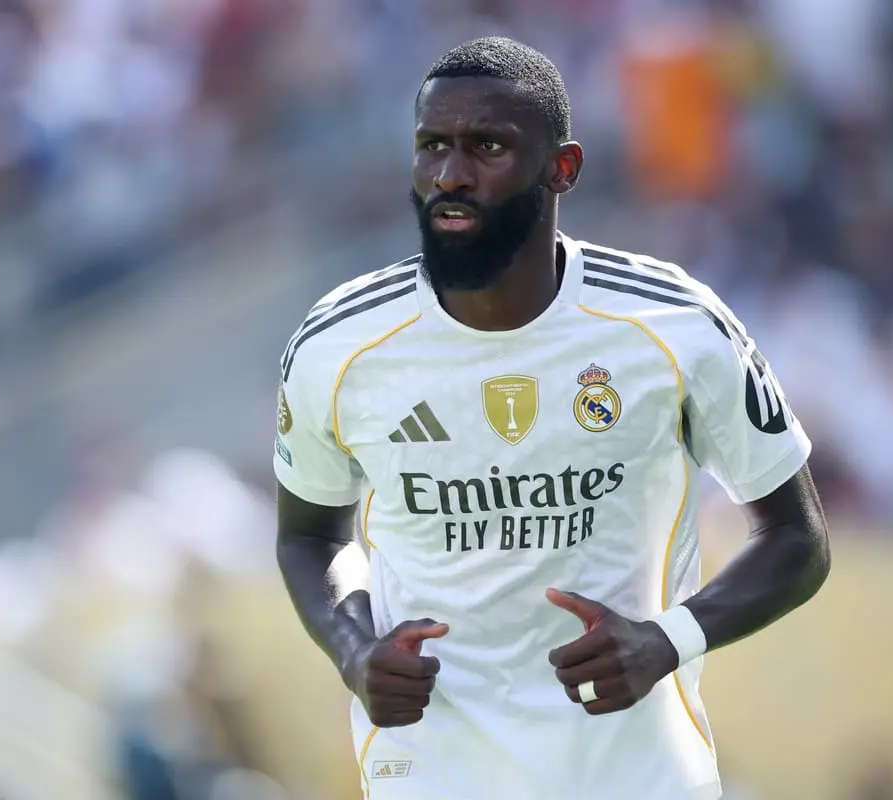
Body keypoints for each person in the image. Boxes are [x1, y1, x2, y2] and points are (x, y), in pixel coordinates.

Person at [273, 36, 830, 800]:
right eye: (431, 146)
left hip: (635, 774)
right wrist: (350, 646)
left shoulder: (673, 326)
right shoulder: (339, 344)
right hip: (433, 771)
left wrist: (669, 640)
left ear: (561, 168)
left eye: (487, 147)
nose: (450, 174)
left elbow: (798, 536)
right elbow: (309, 534)